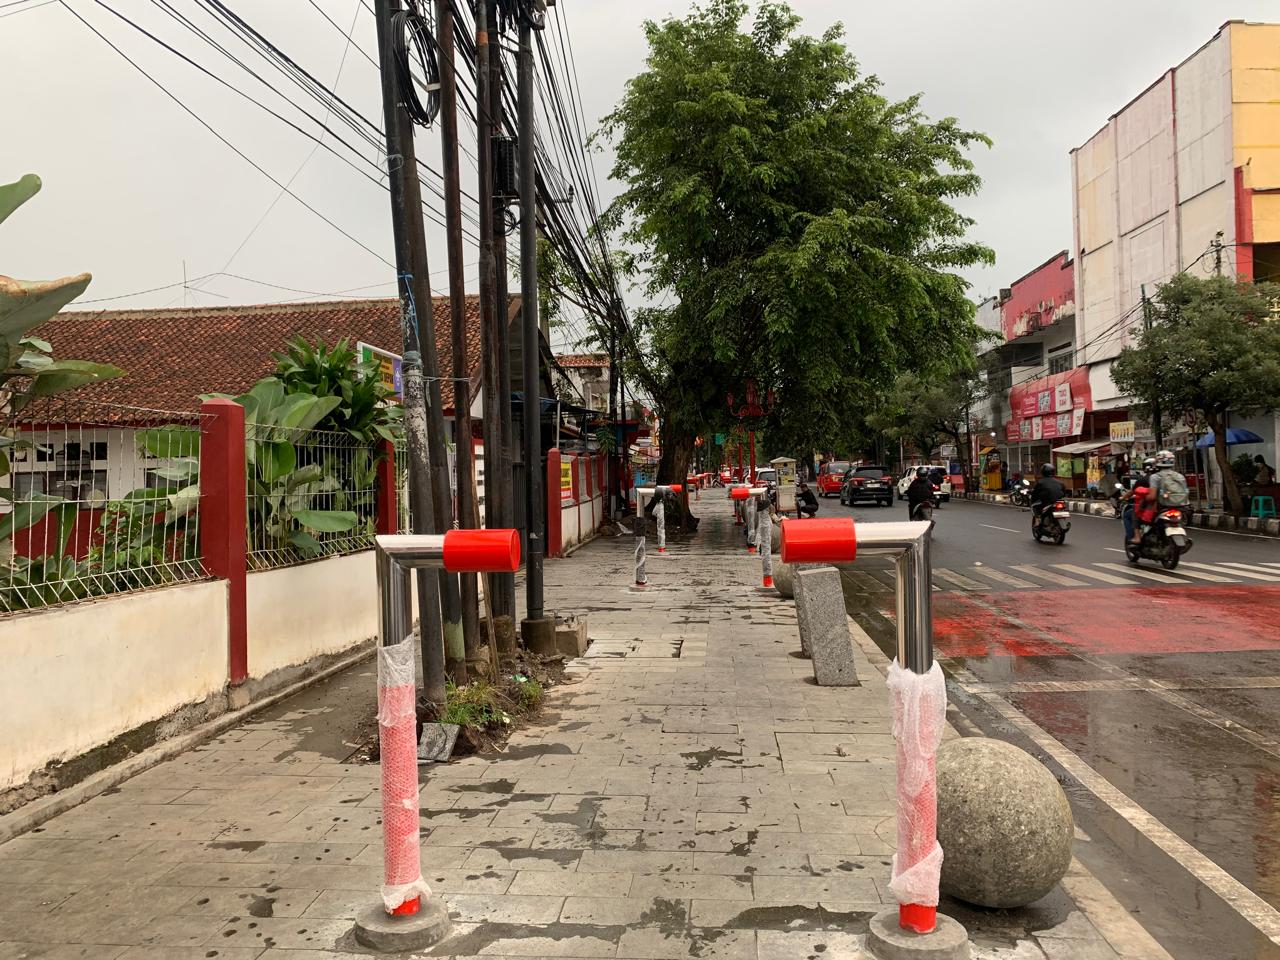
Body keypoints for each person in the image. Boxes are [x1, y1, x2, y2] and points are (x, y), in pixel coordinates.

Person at [1121, 456, 1154, 544]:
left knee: (1132, 515)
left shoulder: (1144, 480)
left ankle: (1136, 537)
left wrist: (1122, 498)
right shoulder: (1164, 477)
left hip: (1150, 507)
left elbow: (1131, 492)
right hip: (1165, 506)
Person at [1029, 463, 1066, 531]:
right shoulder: (1060, 482)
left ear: (1043, 472)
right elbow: (1064, 492)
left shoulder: (1040, 482)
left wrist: (1032, 500)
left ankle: (1037, 521)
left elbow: (1035, 493)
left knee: (1033, 506)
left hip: (1046, 502)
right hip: (1058, 501)